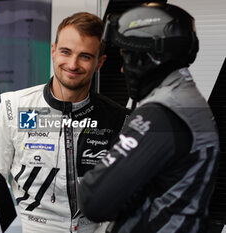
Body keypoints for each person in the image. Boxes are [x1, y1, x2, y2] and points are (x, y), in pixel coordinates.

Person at [0, 12, 129, 233]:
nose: (73, 64)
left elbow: (126, 191)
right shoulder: (14, 107)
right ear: (53, 51)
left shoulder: (119, 119)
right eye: (65, 52)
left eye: (85, 56)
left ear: (100, 63)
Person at [78, 3, 220, 233]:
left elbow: (94, 200)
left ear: (148, 56)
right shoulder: (187, 100)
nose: (122, 69)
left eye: (125, 55)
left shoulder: (162, 115)